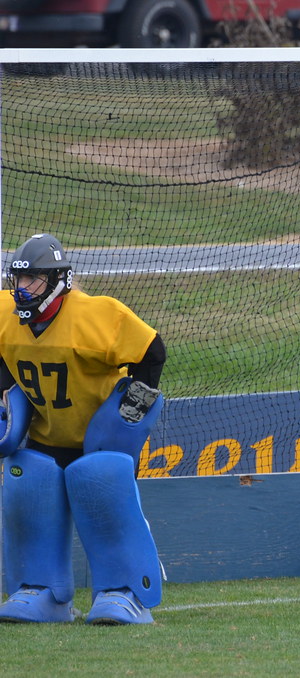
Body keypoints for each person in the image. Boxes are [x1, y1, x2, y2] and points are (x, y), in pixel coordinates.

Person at [0, 233, 167, 625]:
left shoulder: (97, 316)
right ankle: (42, 591)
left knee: (104, 490)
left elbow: (151, 351)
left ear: (59, 280)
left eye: (33, 280)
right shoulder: (5, 315)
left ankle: (124, 590)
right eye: (18, 280)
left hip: (100, 438)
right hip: (46, 434)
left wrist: (129, 410)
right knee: (28, 489)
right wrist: (5, 393)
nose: (23, 289)